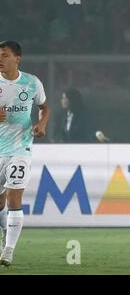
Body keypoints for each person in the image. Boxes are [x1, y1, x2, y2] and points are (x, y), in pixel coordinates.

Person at [0, 41, 50, 266]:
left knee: (14, 197)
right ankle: (6, 232)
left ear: (17, 58)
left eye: (4, 55)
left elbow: (45, 106)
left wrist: (41, 124)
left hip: (21, 149)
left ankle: (8, 252)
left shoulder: (31, 82)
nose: (0, 59)